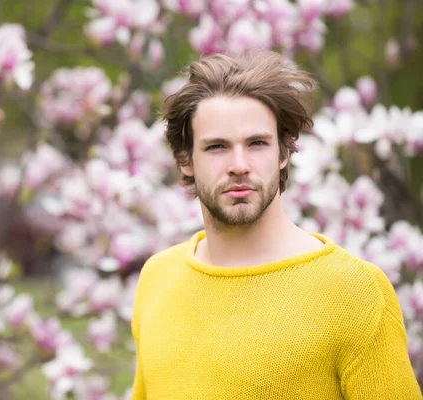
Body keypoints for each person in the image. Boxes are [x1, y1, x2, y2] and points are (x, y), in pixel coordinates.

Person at [129, 51, 422, 399]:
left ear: (283, 153)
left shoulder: (355, 293)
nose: (239, 165)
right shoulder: (157, 278)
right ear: (185, 159)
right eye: (217, 147)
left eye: (256, 143)